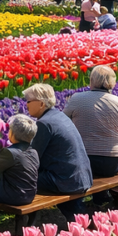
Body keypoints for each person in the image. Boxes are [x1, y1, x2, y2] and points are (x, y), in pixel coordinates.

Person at [63, 65, 118, 206]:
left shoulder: (77, 99)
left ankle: (102, 197)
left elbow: (62, 122)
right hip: (111, 163)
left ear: (91, 81)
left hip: (82, 160)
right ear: (113, 83)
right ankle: (107, 193)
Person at [22, 84, 92, 216]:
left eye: (29, 101)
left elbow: (32, 158)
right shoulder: (59, 116)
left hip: (65, 180)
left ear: (41, 104)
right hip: (81, 176)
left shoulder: (44, 123)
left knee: (20, 178)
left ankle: (22, 219)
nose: (26, 104)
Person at [0, 114, 40, 211]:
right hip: (30, 194)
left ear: (13, 134)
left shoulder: (10, 153)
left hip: (15, 196)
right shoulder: (33, 151)